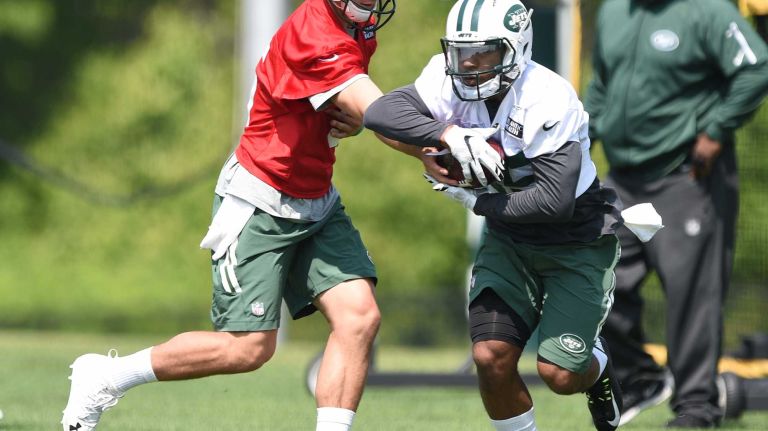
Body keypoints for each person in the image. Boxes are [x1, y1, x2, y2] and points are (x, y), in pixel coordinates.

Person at [61, 1, 400, 430]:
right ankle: (107, 377)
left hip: (316, 198)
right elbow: (384, 115)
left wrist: (355, 118)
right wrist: (443, 140)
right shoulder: (314, 30)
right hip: (262, 200)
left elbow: (350, 104)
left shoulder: (359, 26)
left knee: (359, 317)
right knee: (247, 348)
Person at [365, 1, 662, 429]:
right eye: (461, 52)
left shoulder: (548, 96)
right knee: (490, 356)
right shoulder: (445, 78)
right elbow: (380, 113)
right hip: (508, 237)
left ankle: (596, 371)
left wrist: (476, 201)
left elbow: (553, 202)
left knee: (559, 374)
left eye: (483, 52)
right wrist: (447, 132)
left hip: (575, 240)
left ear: (516, 48)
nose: (469, 64)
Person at [584, 0, 768, 428]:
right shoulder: (614, 10)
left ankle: (696, 406)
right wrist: (577, 142)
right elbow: (601, 86)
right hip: (622, 178)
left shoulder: (708, 11)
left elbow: (757, 67)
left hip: (687, 176)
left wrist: (717, 130)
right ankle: (639, 376)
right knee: (593, 279)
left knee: (692, 297)